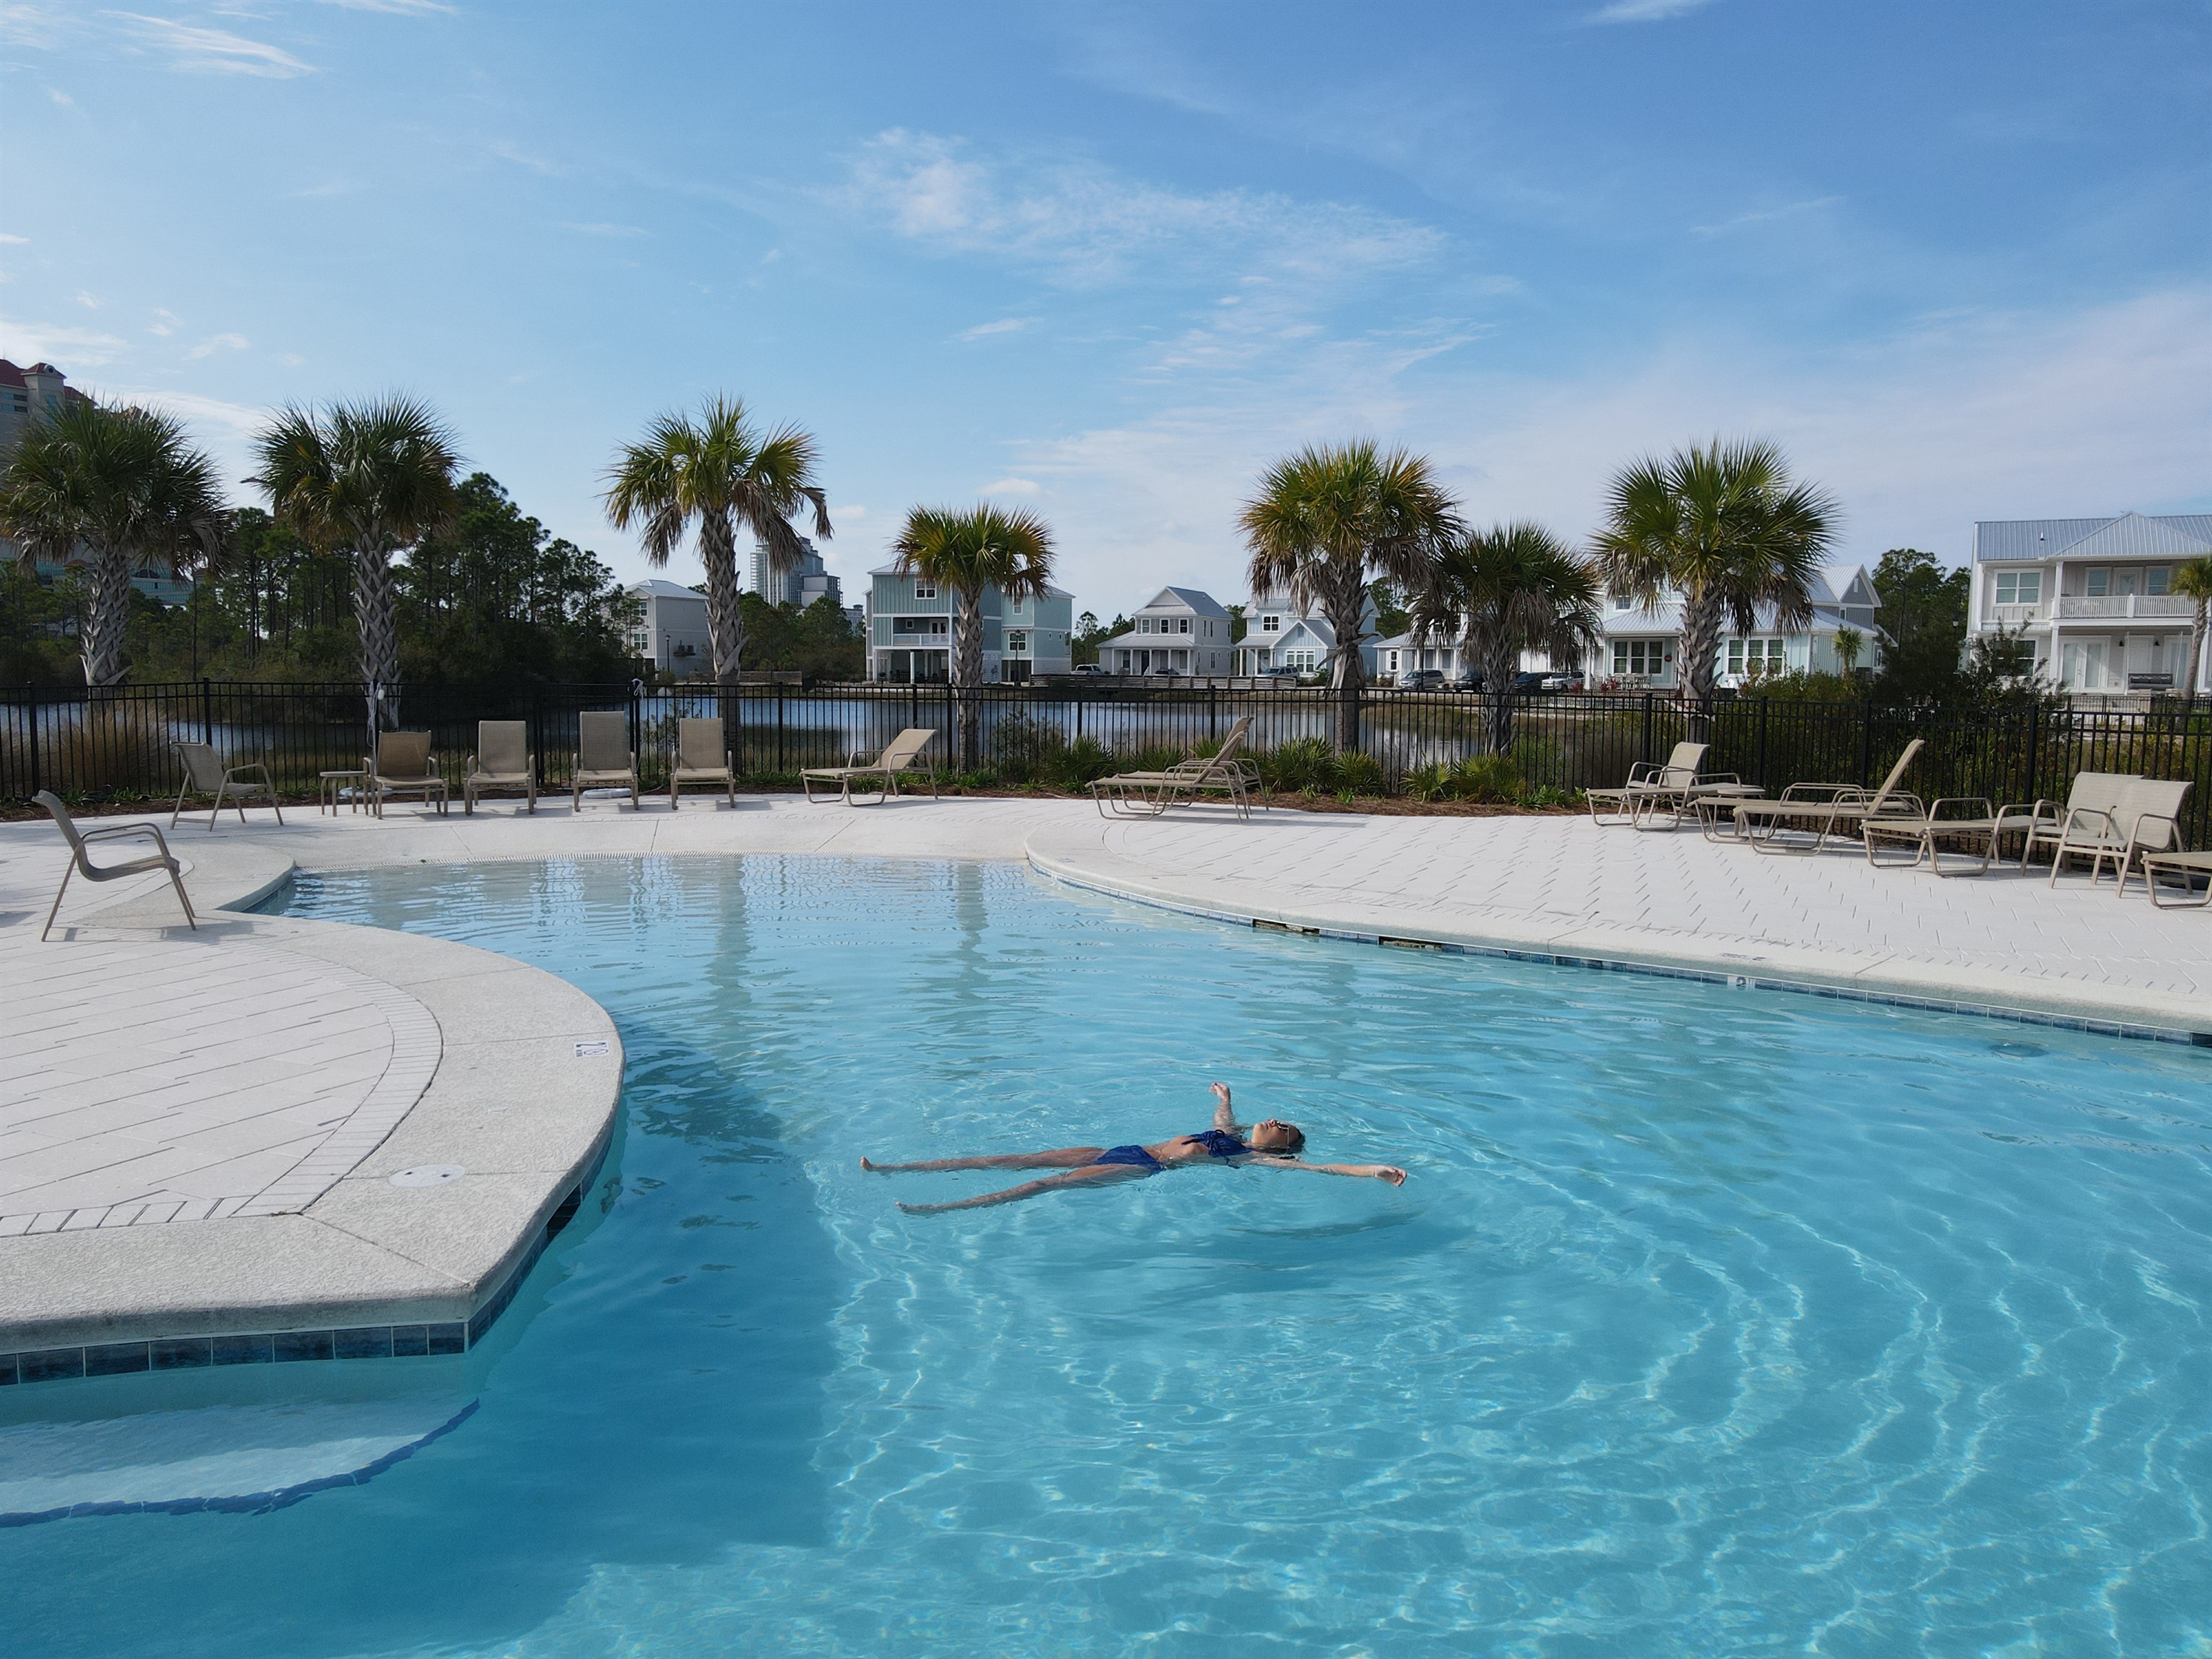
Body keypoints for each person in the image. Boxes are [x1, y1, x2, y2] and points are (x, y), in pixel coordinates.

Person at [863, 1083, 1408, 1214]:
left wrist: (1371, 1170)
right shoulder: (1235, 1135)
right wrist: (1225, 1096)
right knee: (1013, 1156)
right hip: (1119, 1146)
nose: (1278, 1120)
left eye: (1284, 1127)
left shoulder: (1248, 1157)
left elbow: (1321, 1168)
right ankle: (893, 1168)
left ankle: (938, 1207)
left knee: (1041, 1184)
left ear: (1282, 1148)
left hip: (1141, 1167)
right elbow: (1224, 1119)